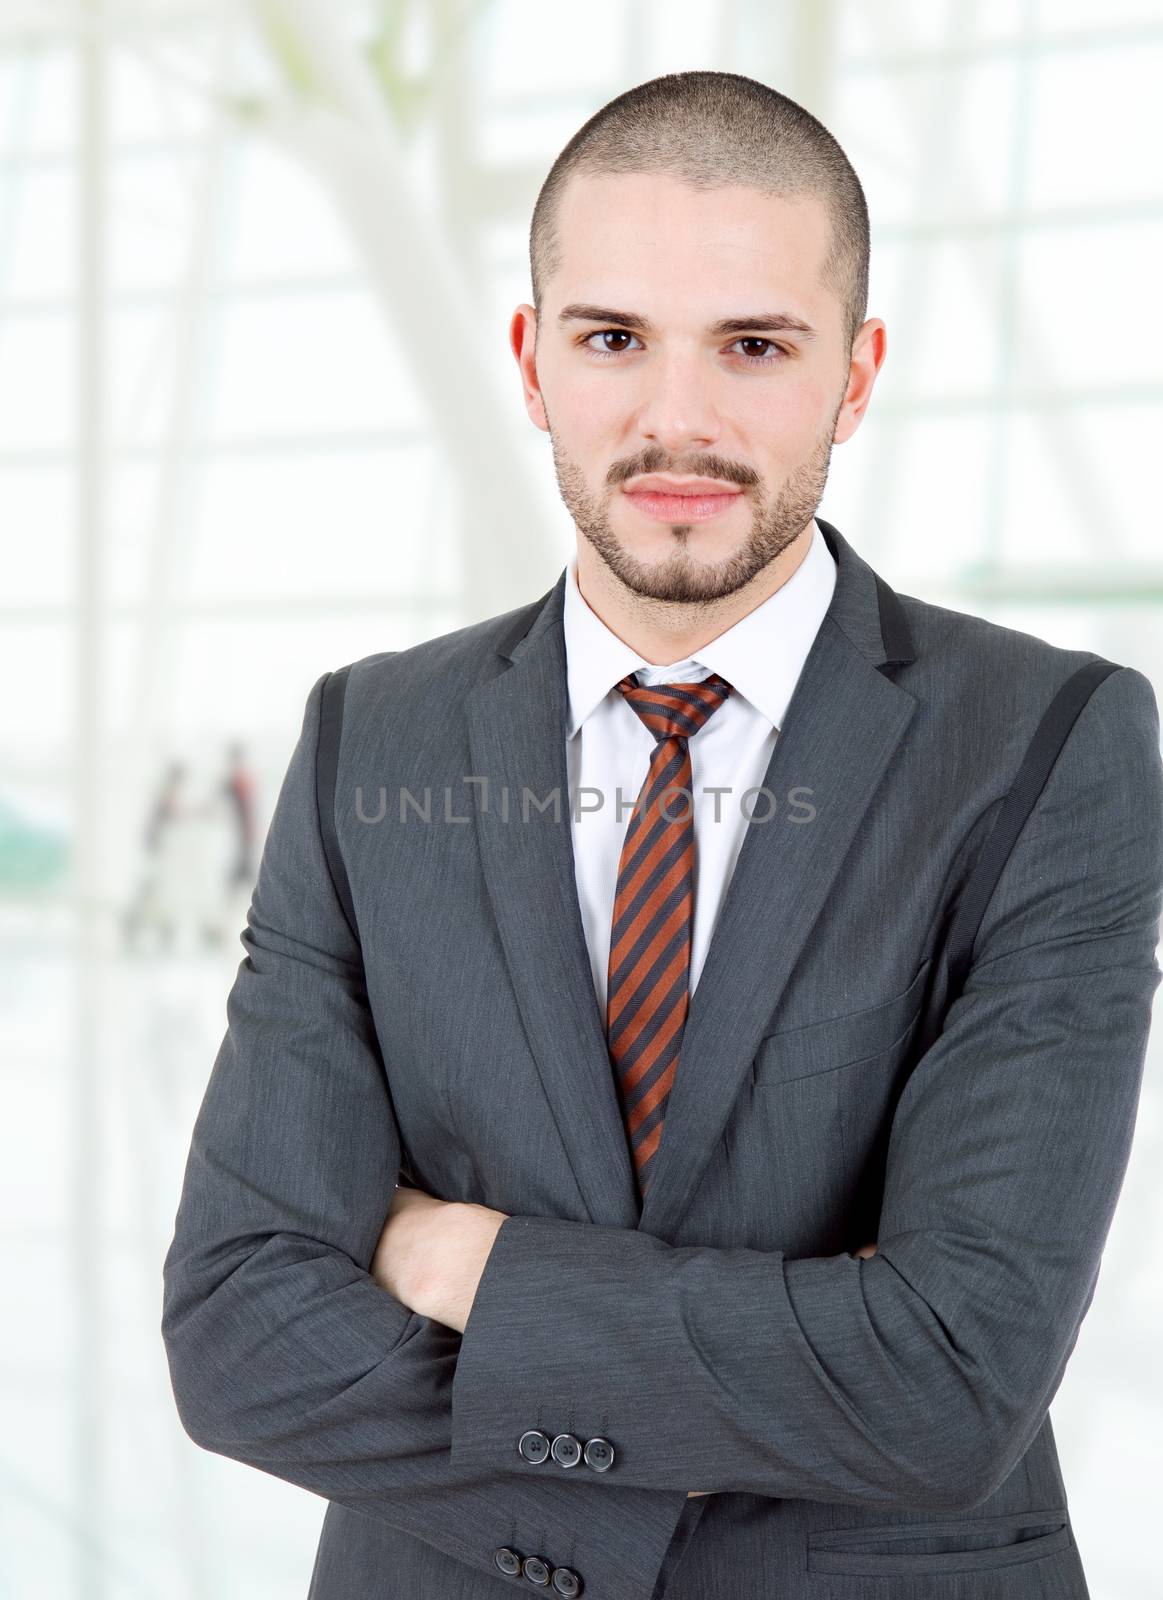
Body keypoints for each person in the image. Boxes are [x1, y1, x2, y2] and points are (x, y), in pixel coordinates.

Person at [161, 71, 1163, 1600]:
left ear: (856, 371)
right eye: (614, 338)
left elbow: (955, 1376)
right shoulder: (375, 742)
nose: (677, 419)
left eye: (755, 346)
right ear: (532, 359)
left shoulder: (1047, 746)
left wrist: (471, 1268)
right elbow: (240, 1333)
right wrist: (759, 1386)